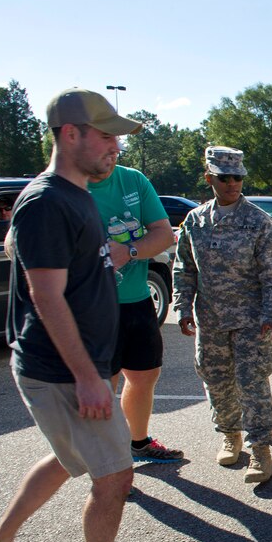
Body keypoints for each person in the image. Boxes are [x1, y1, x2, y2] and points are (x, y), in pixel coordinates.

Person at [0, 87, 160, 542]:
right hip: (63, 371)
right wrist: (88, 377)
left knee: (70, 462)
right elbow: (46, 295)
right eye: (106, 136)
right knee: (115, 476)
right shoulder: (47, 202)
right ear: (70, 134)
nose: (116, 148)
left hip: (72, 368)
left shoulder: (77, 192)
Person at [172, 147, 272, 484]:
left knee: (253, 385)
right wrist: (182, 306)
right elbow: (185, 269)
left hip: (251, 321)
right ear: (209, 178)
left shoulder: (257, 222)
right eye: (225, 178)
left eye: (238, 177)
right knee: (217, 382)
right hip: (211, 321)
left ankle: (261, 449)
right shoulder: (195, 221)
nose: (233, 183)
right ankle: (230, 434)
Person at [88, 155, 183, 464]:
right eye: (104, 139)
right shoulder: (65, 186)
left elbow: (164, 234)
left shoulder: (133, 180)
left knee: (144, 375)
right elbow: (15, 240)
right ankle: (109, 466)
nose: (112, 148)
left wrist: (128, 251)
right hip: (93, 309)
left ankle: (138, 444)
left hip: (138, 300)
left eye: (115, 142)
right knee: (105, 385)